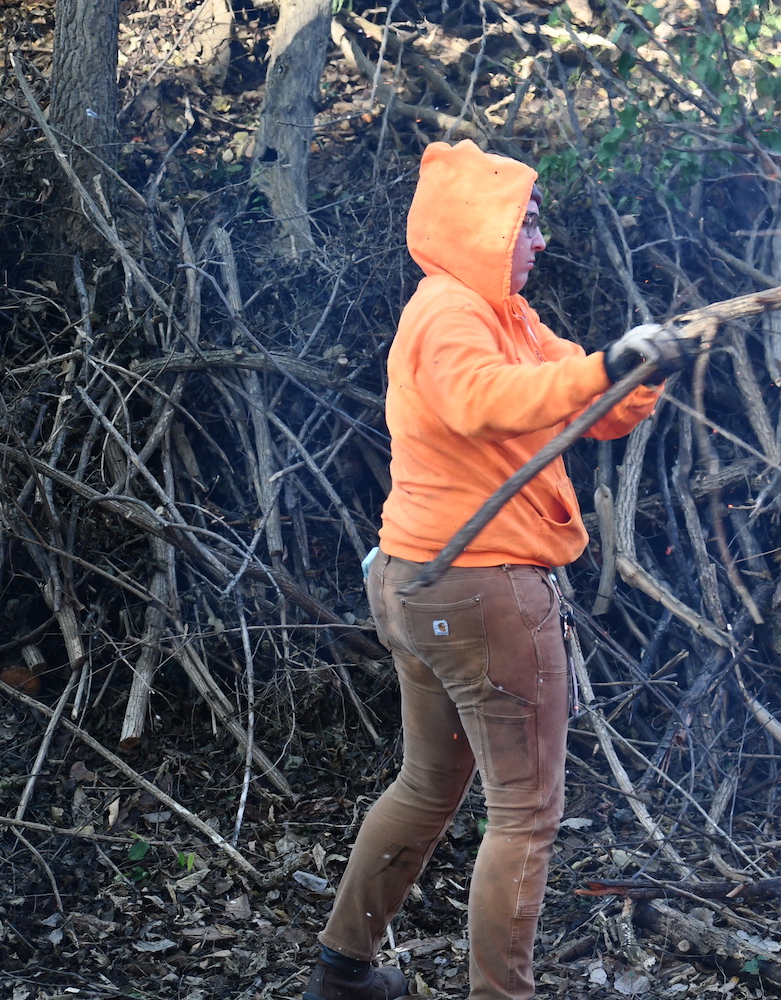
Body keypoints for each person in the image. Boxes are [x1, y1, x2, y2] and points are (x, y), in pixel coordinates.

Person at [304, 139, 691, 1000]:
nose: (540, 243)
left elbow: (589, 405)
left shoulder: (505, 315)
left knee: (429, 784)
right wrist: (604, 367)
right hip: (480, 594)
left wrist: (643, 372)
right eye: (527, 225)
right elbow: (486, 403)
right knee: (524, 815)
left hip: (422, 589)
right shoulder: (449, 316)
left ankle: (342, 974)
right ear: (482, 229)